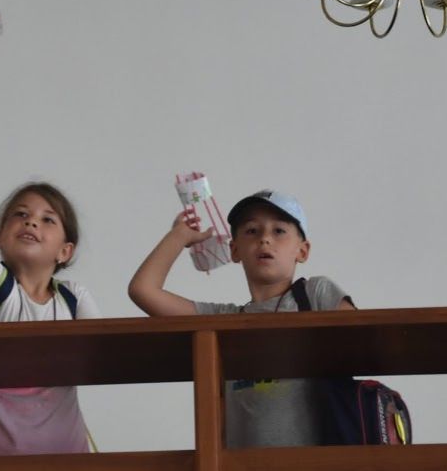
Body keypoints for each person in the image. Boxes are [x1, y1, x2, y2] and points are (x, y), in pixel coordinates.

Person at [128, 189, 355, 446]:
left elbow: (360, 340)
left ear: (302, 251)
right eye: (252, 231)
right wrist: (179, 236)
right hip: (241, 466)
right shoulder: (223, 319)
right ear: (234, 250)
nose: (265, 239)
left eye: (279, 231)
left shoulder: (315, 294)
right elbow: (143, 290)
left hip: (312, 464)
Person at [0, 182, 99, 456]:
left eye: (47, 219)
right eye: (21, 214)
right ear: (0, 237)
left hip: (64, 455)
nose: (31, 222)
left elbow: (101, 354)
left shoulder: (72, 297)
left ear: (64, 251)